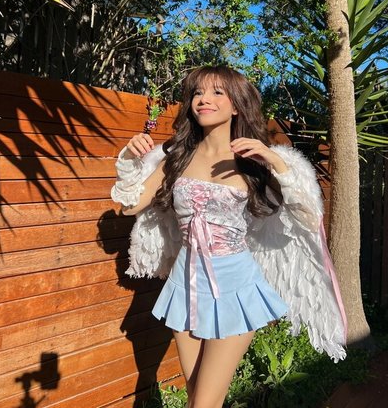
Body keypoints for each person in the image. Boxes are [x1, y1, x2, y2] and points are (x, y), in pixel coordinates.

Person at [111, 65, 346, 408]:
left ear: (236, 105)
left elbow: (308, 218)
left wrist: (277, 164)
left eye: (217, 92)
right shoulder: (176, 157)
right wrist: (130, 160)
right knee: (198, 397)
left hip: (235, 288)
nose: (204, 99)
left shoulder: (256, 160)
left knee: (203, 404)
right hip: (185, 286)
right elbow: (129, 207)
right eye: (197, 92)